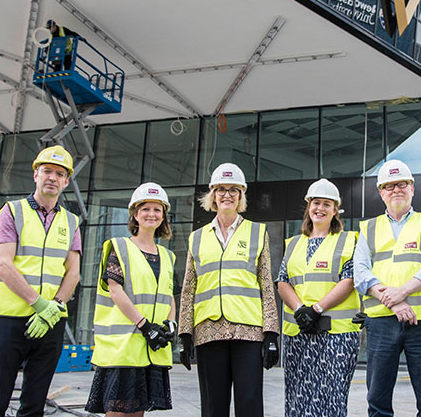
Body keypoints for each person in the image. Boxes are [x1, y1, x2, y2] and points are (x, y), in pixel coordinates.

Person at [0, 145, 81, 417]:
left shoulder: (71, 221)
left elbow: (73, 273)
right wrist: (38, 304)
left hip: (51, 322)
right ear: (35, 174)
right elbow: (3, 264)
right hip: (9, 319)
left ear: (66, 181)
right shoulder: (12, 211)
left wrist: (53, 308)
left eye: (59, 173)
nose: (52, 178)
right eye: (47, 171)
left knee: (34, 406)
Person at [177, 163, 280, 417]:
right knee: (213, 408)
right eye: (221, 189)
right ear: (212, 195)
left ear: (241, 195)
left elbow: (266, 283)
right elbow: (189, 288)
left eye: (233, 189)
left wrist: (271, 333)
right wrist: (184, 334)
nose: (227, 195)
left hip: (248, 332)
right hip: (208, 332)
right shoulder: (197, 237)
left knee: (249, 404)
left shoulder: (257, 232)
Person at [354, 159, 421, 417]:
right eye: (389, 186)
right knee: (378, 401)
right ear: (381, 192)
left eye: (402, 184)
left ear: (412, 188)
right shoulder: (368, 228)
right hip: (382, 322)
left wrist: (402, 291)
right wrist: (394, 301)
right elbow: (360, 273)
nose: (396, 190)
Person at [86, 183, 176, 415]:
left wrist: (171, 323)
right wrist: (145, 326)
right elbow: (115, 291)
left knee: (138, 412)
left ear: (163, 216)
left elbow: (168, 294)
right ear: (135, 214)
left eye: (157, 210)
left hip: (150, 348)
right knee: (117, 412)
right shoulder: (120, 247)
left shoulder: (167, 255)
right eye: (145, 208)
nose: (151, 214)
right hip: (124, 348)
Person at [276, 179, 360, 417]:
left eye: (326, 204)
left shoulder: (348, 240)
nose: (320, 208)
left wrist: (317, 309)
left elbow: (349, 279)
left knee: (332, 398)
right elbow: (283, 281)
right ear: (308, 207)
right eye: (315, 203)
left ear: (335, 210)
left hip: (337, 336)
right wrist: (301, 309)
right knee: (297, 396)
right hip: (300, 333)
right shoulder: (293, 244)